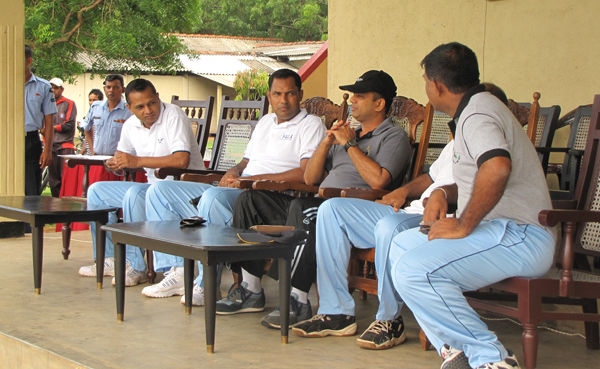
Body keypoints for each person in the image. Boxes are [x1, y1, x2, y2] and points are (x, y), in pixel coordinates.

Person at [292, 84, 510, 350]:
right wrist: (403, 191)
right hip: (410, 210)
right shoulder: (457, 142)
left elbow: (483, 187)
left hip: (440, 218)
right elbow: (430, 177)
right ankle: (335, 311)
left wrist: (441, 195)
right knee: (331, 210)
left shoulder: (495, 147)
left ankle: (389, 320)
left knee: (388, 226)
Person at [388, 43, 554, 369]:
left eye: (425, 80)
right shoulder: (473, 110)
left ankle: (492, 359)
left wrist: (463, 224)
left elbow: (497, 168)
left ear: (437, 85)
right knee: (401, 246)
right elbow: (480, 177)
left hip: (522, 235)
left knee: (413, 270)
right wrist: (442, 192)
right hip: (502, 232)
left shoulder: (477, 114)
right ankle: (456, 350)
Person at [220, 70, 412, 329]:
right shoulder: (348, 135)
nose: (352, 101)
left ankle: (298, 299)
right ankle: (250, 288)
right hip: (318, 203)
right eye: (353, 96)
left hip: (353, 211)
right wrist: (326, 143)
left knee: (303, 209)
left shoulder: (394, 137)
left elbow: (379, 181)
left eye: (360, 96)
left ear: (379, 104)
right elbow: (311, 178)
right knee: (249, 200)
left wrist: (349, 145)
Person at [141, 69, 326, 305]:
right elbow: (246, 161)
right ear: (269, 96)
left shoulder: (310, 125)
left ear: (300, 95)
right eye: (277, 94)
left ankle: (206, 285)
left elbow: (305, 172)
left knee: (212, 199)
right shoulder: (265, 122)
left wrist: (253, 180)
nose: (283, 100)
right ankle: (176, 271)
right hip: (240, 187)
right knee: (160, 191)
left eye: (290, 94)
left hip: (268, 195)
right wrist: (234, 171)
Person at [78, 79, 205, 286]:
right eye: (140, 107)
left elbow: (181, 160)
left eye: (151, 103)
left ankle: (148, 267)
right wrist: (116, 163)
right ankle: (110, 259)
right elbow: (123, 156)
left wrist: (136, 161)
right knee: (97, 191)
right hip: (154, 187)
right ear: (129, 108)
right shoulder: (130, 125)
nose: (148, 110)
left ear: (157, 97)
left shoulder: (173, 115)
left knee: (136, 194)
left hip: (184, 187)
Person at [24, 45, 57, 196]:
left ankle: (29, 213)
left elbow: (49, 121)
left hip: (30, 140)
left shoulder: (43, 86)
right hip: (6, 139)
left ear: (29, 61)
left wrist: (47, 150)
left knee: (31, 189)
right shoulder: (5, 84)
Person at [80, 75, 131, 156]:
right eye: (108, 87)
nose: (111, 90)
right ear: (104, 89)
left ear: (123, 90)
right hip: (97, 157)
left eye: (115, 87)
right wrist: (92, 149)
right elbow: (87, 128)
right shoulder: (95, 107)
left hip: (118, 159)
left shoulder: (129, 110)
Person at [46, 78, 77, 197]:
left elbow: (69, 125)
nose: (53, 90)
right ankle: (55, 204)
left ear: (62, 89)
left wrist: (51, 128)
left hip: (65, 146)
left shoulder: (68, 103)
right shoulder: (46, 104)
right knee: (53, 181)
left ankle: (66, 205)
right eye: (51, 88)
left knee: (65, 179)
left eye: (56, 88)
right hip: (50, 147)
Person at [79, 89, 104, 155]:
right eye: (90, 100)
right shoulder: (90, 114)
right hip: (89, 153)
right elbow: (87, 133)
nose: (92, 103)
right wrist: (82, 151)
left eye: (94, 100)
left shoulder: (103, 114)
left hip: (99, 152)